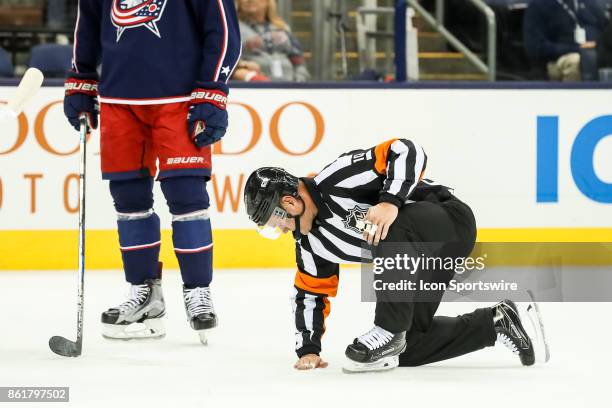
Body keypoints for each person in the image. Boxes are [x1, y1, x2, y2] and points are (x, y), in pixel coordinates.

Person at [244, 139, 549, 372]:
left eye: (277, 222)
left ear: (291, 203)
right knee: (411, 347)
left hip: (448, 221)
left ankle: (388, 329)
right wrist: (308, 349)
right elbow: (311, 294)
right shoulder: (310, 244)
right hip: (418, 257)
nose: (282, 230)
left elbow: (404, 149)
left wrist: (390, 200)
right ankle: (497, 321)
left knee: (386, 227)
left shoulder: (335, 180)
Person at [63, 0, 241, 343]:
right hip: (118, 102)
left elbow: (223, 32)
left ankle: (197, 292)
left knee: (187, 197)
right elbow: (87, 26)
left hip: (179, 100)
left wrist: (213, 90)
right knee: (129, 200)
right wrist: (81, 78)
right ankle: (145, 294)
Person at [524, 0, 608, 81]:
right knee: (575, 61)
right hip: (558, 59)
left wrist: (598, 46)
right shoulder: (539, 5)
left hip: (596, 52)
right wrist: (578, 49)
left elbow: (606, 29)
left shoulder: (588, 2)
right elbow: (535, 47)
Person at [236, 0, 310, 81]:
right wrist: (243, 65)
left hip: (289, 85)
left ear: (268, 2)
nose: (250, 1)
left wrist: (299, 82)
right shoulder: (232, 28)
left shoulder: (282, 28)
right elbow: (225, 61)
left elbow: (299, 62)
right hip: (251, 86)